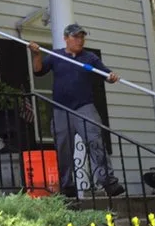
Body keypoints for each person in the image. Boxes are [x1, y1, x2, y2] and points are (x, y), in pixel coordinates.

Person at [29, 23, 126, 199]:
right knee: (63, 148)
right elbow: (38, 71)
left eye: (82, 37)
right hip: (60, 109)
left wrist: (111, 77)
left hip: (84, 106)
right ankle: (67, 186)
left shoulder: (90, 58)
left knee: (95, 141)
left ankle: (108, 182)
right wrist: (36, 54)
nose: (80, 40)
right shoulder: (56, 56)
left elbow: (106, 75)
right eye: (76, 37)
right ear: (66, 38)